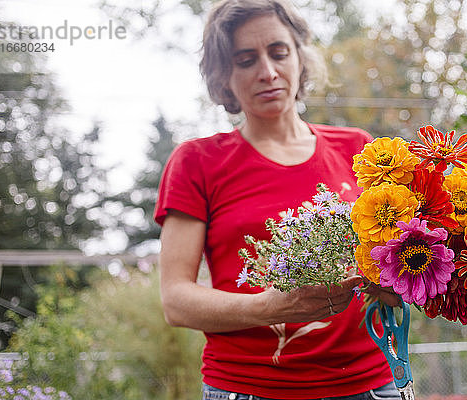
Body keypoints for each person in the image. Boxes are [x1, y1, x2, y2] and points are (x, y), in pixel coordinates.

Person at [154, 1, 401, 399]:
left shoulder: (360, 149)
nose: (267, 72)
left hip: (369, 385)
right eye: (245, 59)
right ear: (223, 76)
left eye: (278, 52)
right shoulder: (197, 162)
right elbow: (176, 301)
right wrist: (270, 308)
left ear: (300, 58)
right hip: (248, 388)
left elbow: (392, 268)